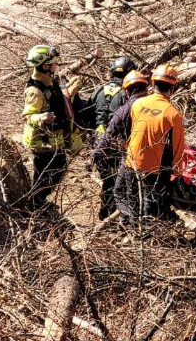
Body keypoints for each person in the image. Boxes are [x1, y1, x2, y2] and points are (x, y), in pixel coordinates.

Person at [122, 64, 185, 228]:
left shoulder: (138, 104)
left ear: (153, 83)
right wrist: (176, 172)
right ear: (172, 87)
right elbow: (178, 146)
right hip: (153, 167)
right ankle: (147, 235)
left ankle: (135, 232)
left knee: (133, 200)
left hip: (132, 160)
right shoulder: (173, 114)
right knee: (150, 203)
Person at [22, 45, 84, 210]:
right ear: (45, 66)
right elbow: (28, 115)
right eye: (54, 63)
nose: (57, 65)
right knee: (44, 174)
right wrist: (40, 117)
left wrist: (73, 88)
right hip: (41, 142)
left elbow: (59, 102)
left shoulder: (50, 81)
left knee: (59, 168)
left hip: (54, 139)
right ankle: (35, 204)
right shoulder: (35, 90)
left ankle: (38, 200)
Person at [92, 69, 150, 225]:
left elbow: (110, 131)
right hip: (157, 158)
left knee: (121, 191)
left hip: (133, 157)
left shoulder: (126, 108)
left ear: (126, 91)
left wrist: (95, 154)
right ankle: (141, 222)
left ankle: (131, 225)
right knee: (146, 193)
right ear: (146, 88)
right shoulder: (156, 106)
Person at [91, 55, 136, 218]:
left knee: (108, 180)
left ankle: (107, 214)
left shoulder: (98, 90)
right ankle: (112, 216)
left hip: (97, 141)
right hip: (117, 143)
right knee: (118, 182)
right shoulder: (126, 94)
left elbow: (87, 114)